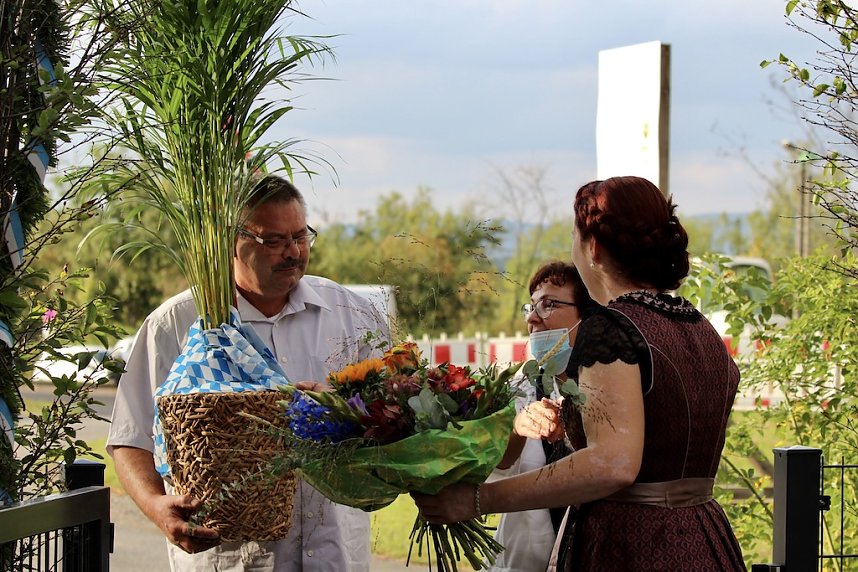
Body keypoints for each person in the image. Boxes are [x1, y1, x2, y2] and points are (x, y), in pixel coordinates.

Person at [413, 176, 746, 571]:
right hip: (703, 535)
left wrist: (476, 500)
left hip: (632, 545)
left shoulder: (611, 327)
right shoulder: (698, 325)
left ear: (594, 247)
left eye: (575, 234)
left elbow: (613, 463)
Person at [107, 175, 388, 571]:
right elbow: (130, 439)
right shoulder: (178, 322)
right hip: (232, 559)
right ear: (230, 242)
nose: (293, 252)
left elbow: (393, 417)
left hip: (336, 555)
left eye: (300, 236)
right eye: (273, 241)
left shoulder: (351, 314)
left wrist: (349, 408)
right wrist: (157, 507)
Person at [489, 261, 597, 572]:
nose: (532, 318)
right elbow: (496, 465)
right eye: (531, 306)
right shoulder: (518, 390)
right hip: (522, 563)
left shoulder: (612, 393)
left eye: (549, 305)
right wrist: (517, 427)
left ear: (588, 318)